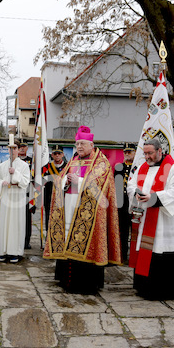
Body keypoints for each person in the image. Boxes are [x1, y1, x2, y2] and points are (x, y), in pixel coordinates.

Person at [43, 126, 122, 294]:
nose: (79, 147)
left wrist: (78, 180)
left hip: (90, 213)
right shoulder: (73, 160)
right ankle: (67, 280)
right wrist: (64, 181)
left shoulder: (101, 162)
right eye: (77, 143)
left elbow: (100, 185)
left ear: (91, 145)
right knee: (68, 237)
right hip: (70, 206)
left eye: (82, 144)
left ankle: (86, 283)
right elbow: (61, 180)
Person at [127, 138, 174, 300]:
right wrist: (136, 194)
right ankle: (143, 286)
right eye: (145, 153)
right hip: (145, 216)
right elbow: (131, 185)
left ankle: (165, 289)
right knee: (147, 250)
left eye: (150, 153)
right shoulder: (142, 167)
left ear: (160, 151)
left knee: (161, 250)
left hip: (164, 221)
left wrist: (153, 197)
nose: (147, 157)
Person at [0, 139, 31, 263]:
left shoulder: (24, 165)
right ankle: (3, 251)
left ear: (18, 149)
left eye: (15, 148)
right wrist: (1, 183)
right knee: (5, 223)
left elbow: (26, 182)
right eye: (10, 148)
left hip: (18, 196)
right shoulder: (2, 165)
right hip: (6, 195)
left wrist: (15, 173)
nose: (12, 151)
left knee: (17, 223)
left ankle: (16, 252)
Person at [114, 142, 136, 263]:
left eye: (129, 152)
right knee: (122, 231)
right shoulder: (119, 168)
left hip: (134, 203)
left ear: (135, 153)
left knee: (134, 232)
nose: (127, 154)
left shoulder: (138, 167)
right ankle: (122, 256)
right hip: (121, 204)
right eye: (125, 152)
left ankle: (133, 256)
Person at [43, 144, 68, 234]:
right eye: (55, 153)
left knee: (62, 218)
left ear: (63, 155)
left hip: (63, 197)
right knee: (48, 217)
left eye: (59, 153)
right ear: (52, 155)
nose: (57, 155)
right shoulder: (46, 167)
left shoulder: (67, 167)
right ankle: (48, 237)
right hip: (49, 197)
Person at [19, 139, 34, 249]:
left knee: (27, 218)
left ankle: (26, 240)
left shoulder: (32, 161)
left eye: (24, 146)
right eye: (20, 146)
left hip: (28, 192)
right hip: (16, 192)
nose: (22, 148)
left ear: (27, 147)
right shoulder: (13, 161)